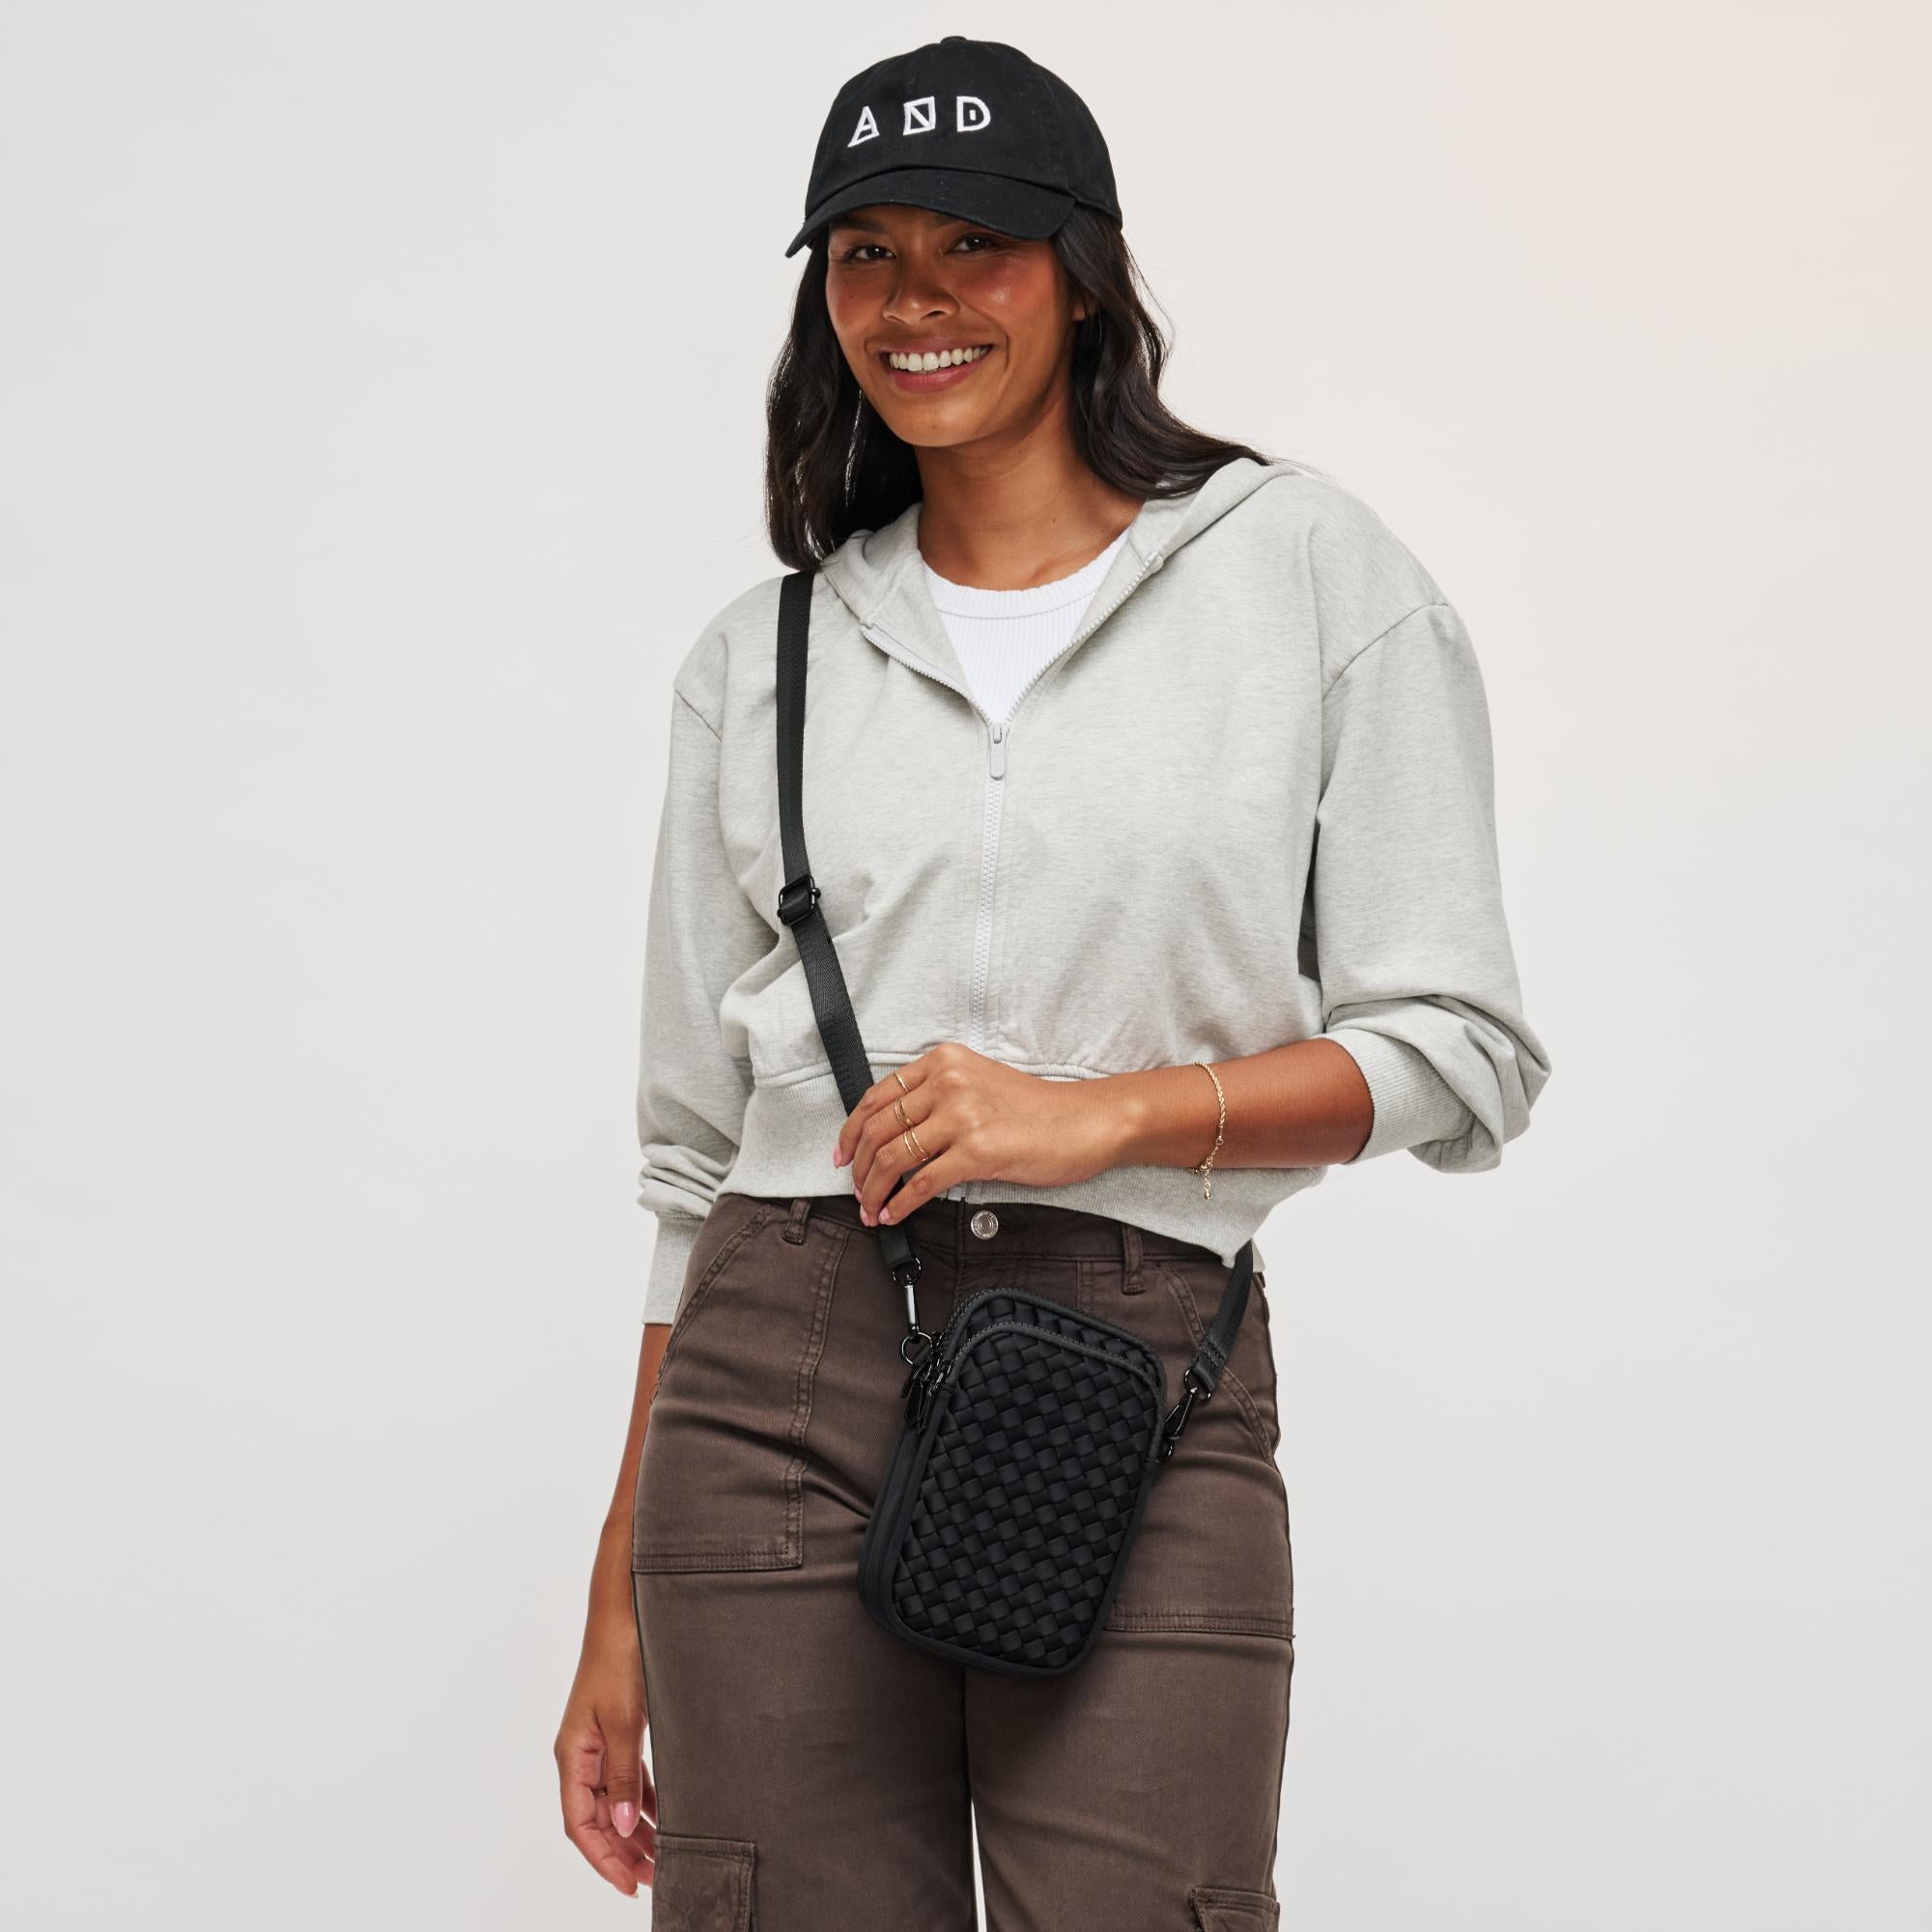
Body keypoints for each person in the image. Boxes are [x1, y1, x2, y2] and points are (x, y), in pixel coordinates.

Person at [555, 34, 1552, 1929]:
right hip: (777, 1360)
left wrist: (1104, 1116)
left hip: (1140, 1356)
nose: (913, 302)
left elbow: (1462, 1048)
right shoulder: (763, 658)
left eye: (975, 246)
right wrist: (614, 1593)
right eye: (865, 253)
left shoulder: (1305, 574)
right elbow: (690, 1164)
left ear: (1082, 272)